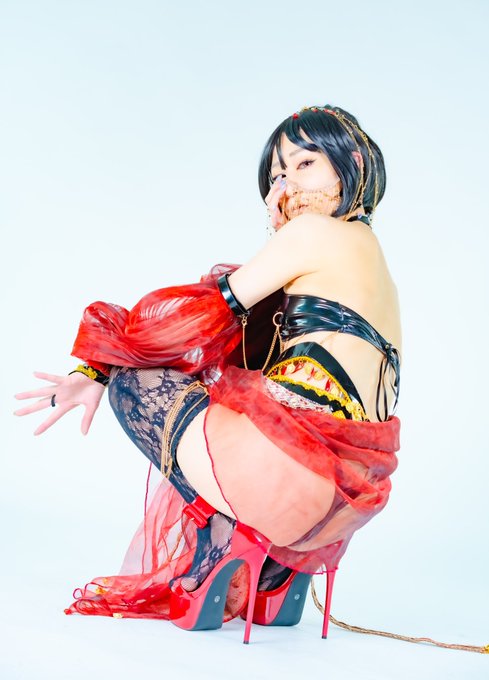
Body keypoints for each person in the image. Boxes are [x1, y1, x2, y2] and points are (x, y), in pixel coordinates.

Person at [14, 104, 401, 644]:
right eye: (277, 175)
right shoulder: (372, 260)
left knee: (134, 382)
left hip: (285, 475)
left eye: (305, 163)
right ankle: (277, 575)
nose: (288, 184)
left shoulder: (313, 232)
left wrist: (99, 362)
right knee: (242, 365)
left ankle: (218, 534)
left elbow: (195, 318)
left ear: (352, 162)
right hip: (345, 500)